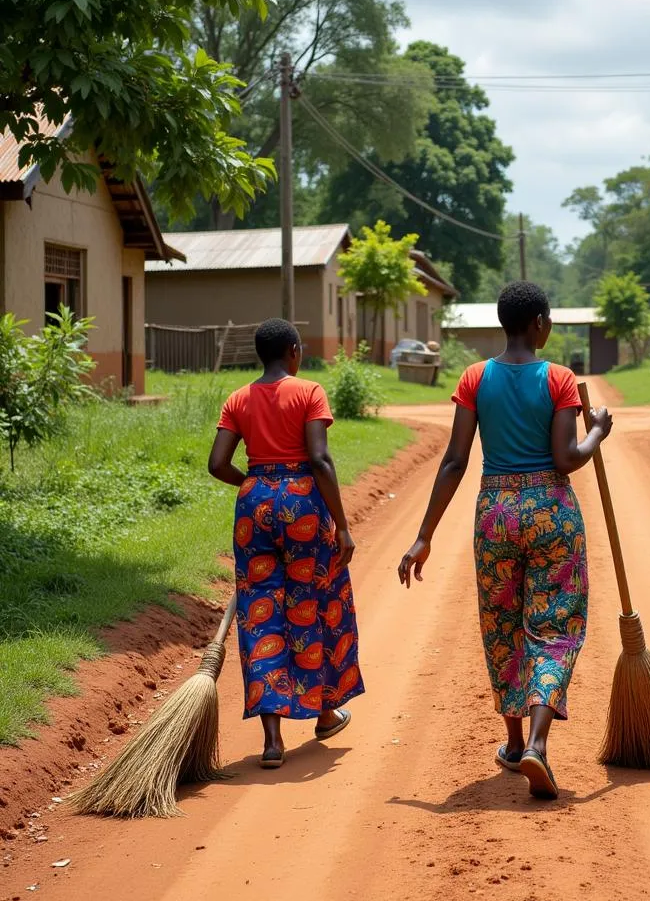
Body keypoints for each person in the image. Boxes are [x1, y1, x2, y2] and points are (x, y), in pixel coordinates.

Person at [397, 281, 613, 799]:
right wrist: (598, 432)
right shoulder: (559, 379)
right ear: (540, 323)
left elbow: (454, 460)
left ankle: (514, 744)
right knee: (555, 625)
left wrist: (423, 535)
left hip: (494, 511)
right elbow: (566, 458)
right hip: (550, 509)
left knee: (502, 624)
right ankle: (539, 742)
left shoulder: (475, 378)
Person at [208, 318, 363, 768]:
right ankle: (325, 712)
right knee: (313, 601)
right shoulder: (309, 392)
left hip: (253, 506)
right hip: (303, 508)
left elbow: (218, 463)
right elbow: (319, 458)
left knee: (260, 613)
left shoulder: (238, 399)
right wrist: (343, 524)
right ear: (294, 351)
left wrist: (254, 482)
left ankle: (273, 741)